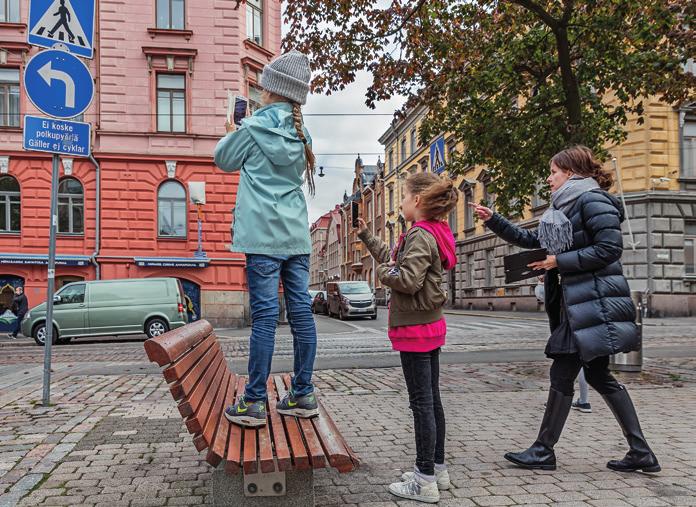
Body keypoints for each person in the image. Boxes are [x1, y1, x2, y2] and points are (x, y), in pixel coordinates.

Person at [471, 145, 660, 474]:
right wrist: (495, 221)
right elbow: (535, 240)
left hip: (591, 303)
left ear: (570, 173)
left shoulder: (592, 200)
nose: (549, 177)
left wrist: (560, 261)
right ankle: (641, 452)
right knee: (600, 375)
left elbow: (609, 248)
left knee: (562, 373)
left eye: (553, 172)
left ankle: (544, 450)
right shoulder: (564, 207)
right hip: (579, 303)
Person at [214, 50, 318, 428]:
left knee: (264, 317)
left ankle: (255, 401)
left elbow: (222, 160)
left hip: (261, 237)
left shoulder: (254, 126)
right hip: (295, 236)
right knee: (302, 312)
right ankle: (303, 393)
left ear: (270, 89)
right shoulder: (300, 131)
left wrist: (232, 129)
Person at [358, 173, 458, 504]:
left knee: (422, 404)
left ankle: (423, 479)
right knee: (433, 399)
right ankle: (438, 470)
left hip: (415, 328)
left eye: (402, 197)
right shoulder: (433, 231)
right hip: (429, 325)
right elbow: (396, 255)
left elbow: (408, 279)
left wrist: (384, 274)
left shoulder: (419, 234)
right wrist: (367, 238)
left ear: (417, 200)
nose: (399, 203)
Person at [536, 276, 591, 413]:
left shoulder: (566, 272)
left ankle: (557, 402)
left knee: (561, 373)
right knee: (585, 365)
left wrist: (543, 281)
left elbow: (544, 296)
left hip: (569, 326)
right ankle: (583, 401)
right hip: (584, 324)